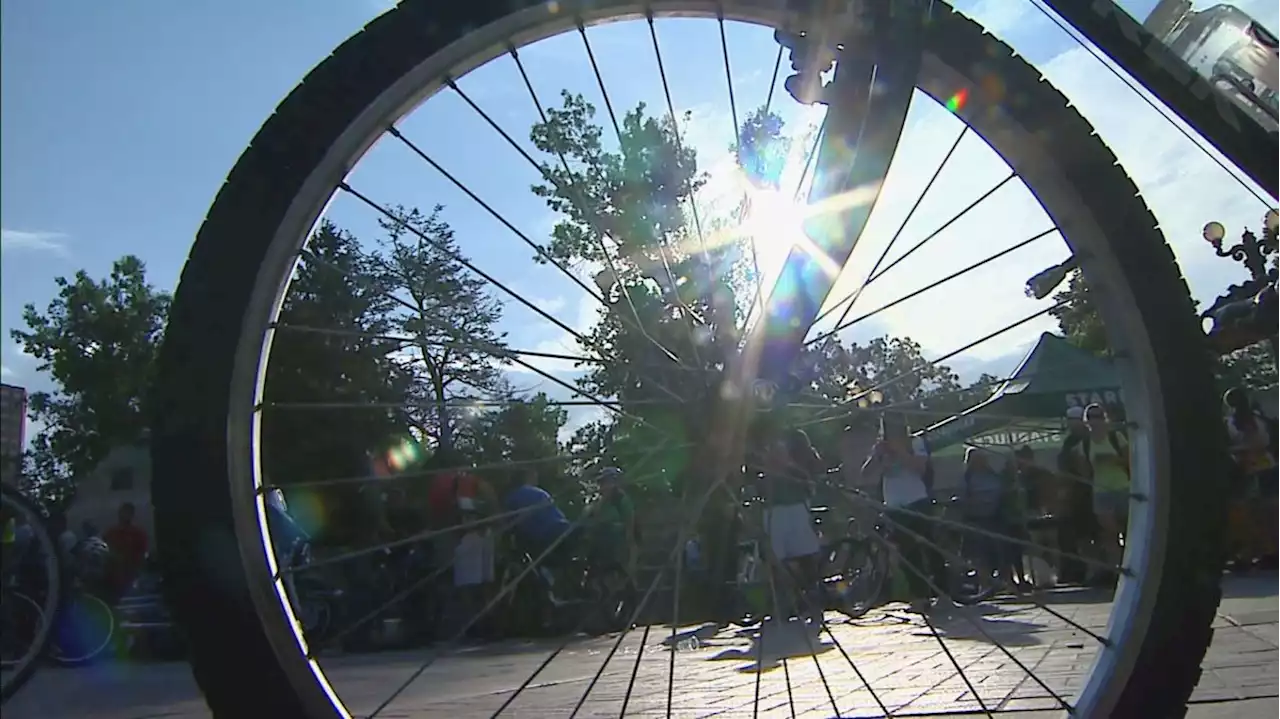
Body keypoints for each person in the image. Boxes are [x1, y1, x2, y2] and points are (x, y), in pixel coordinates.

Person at [861, 414, 947, 613]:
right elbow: (865, 473)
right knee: (907, 553)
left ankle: (943, 590)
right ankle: (920, 596)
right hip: (894, 506)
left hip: (917, 501)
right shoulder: (880, 448)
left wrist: (900, 451)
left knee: (929, 546)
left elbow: (920, 468)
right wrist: (876, 457)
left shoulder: (915, 442)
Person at [759, 430, 824, 621]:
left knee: (805, 558)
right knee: (776, 562)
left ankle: (813, 601)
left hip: (796, 510)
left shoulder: (796, 440)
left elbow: (809, 482)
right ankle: (782, 604)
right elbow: (762, 488)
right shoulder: (765, 453)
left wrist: (789, 468)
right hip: (774, 513)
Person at [1223, 387, 1280, 569]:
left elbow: (1242, 444)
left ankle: (1250, 554)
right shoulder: (1259, 418)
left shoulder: (1231, 423)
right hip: (1268, 465)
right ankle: (1272, 551)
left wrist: (1236, 451)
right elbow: (1268, 441)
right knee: (1270, 512)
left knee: (1250, 514)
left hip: (1246, 469)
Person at [1077, 403, 1130, 582]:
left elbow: (1130, 461)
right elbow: (1084, 473)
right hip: (1100, 491)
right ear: (1087, 421)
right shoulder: (1084, 444)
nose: (1095, 420)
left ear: (1104, 418)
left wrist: (1113, 460)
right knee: (1109, 532)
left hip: (1123, 486)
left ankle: (1131, 563)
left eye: (1099, 416)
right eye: (1091, 416)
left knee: (1129, 529)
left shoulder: (1116, 437)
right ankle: (1118, 569)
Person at [1056, 406, 1094, 585]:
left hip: (1091, 490)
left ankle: (1102, 568)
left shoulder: (1092, 439)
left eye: (1075, 420)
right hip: (1078, 494)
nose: (1072, 424)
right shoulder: (1070, 442)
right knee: (1082, 535)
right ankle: (1092, 569)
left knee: (1099, 533)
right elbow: (1063, 469)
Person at [503, 468, 573, 563]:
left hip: (543, 538)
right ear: (526, 478)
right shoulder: (539, 493)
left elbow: (508, 523)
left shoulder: (512, 497)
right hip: (562, 530)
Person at [103, 502, 149, 597]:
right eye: (123, 512)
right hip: (114, 575)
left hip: (131, 574)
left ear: (132, 514)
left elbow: (143, 553)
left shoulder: (138, 533)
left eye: (128, 512)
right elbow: (106, 551)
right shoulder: (111, 532)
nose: (125, 515)